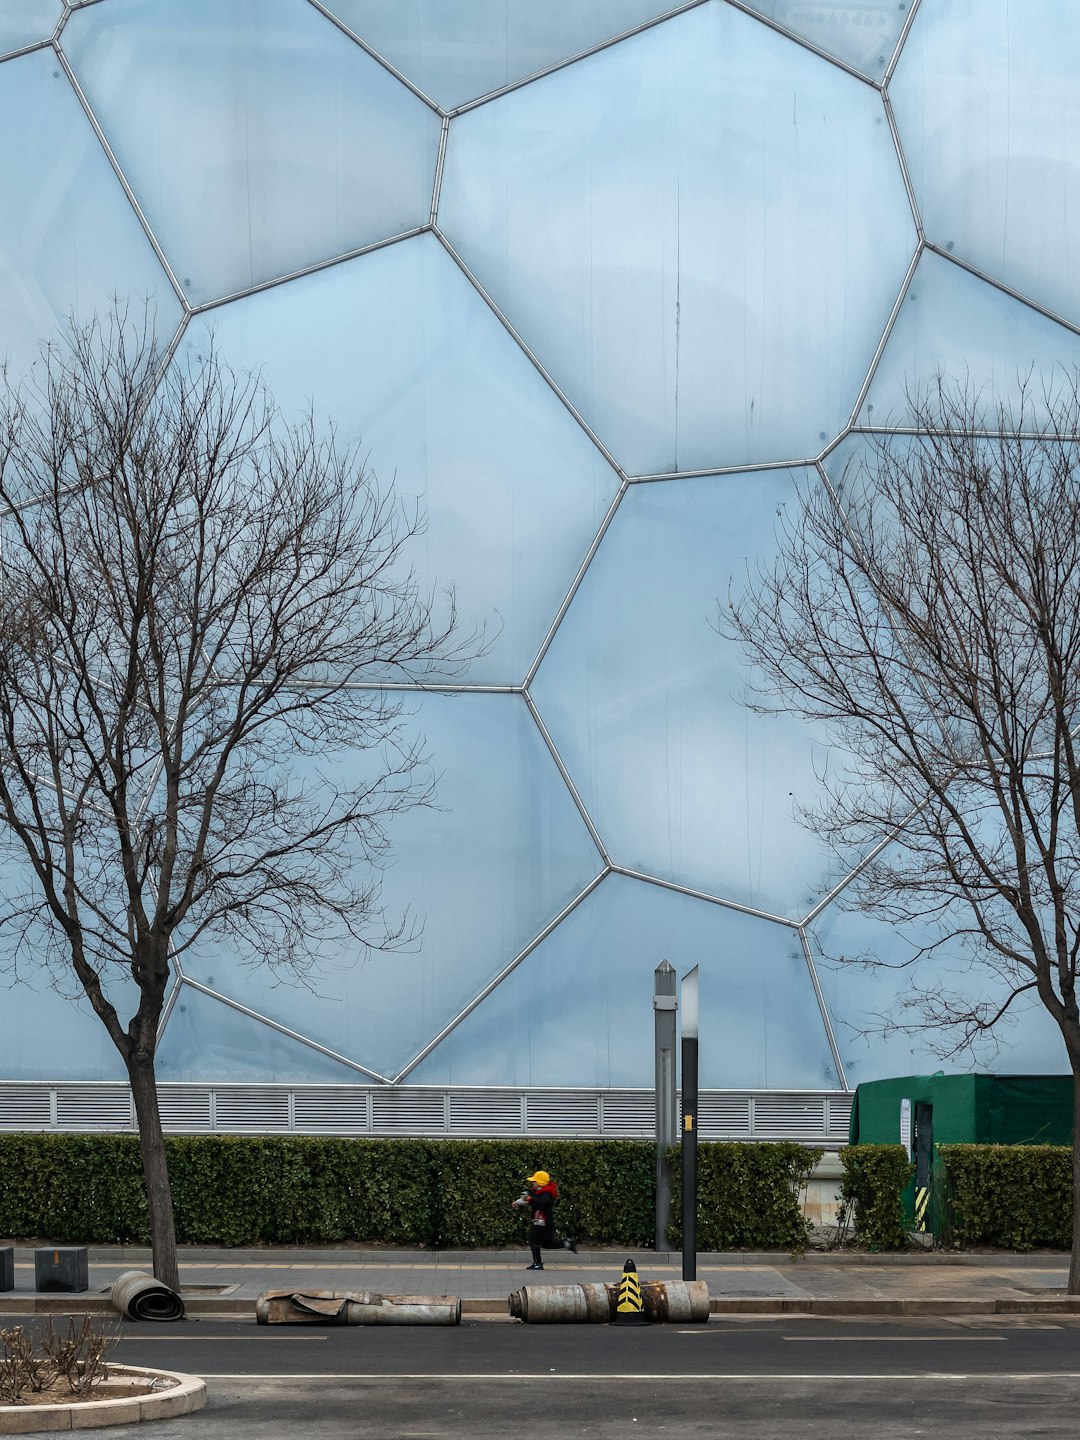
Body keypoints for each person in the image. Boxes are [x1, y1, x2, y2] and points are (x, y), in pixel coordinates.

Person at [511, 1170, 578, 1270]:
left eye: (534, 1182)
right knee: (546, 1243)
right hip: (540, 1221)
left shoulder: (546, 1193)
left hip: (543, 1222)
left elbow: (543, 1203)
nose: (532, 1183)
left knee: (534, 1239)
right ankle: (567, 1243)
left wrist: (530, 1199)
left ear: (540, 1183)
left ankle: (537, 1263)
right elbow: (529, 1199)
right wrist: (518, 1202)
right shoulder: (538, 1192)